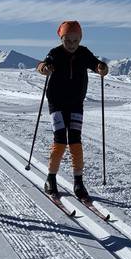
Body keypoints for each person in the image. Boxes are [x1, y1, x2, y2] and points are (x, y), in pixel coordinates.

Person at [36, 20, 108, 201]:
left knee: (75, 141)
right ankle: (51, 178)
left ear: (80, 39)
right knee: (60, 140)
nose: (71, 45)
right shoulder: (55, 53)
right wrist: (44, 68)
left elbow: (96, 64)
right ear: (61, 38)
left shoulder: (83, 53)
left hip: (76, 103)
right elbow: (42, 65)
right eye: (67, 40)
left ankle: (78, 182)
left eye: (75, 41)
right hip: (56, 103)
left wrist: (102, 68)